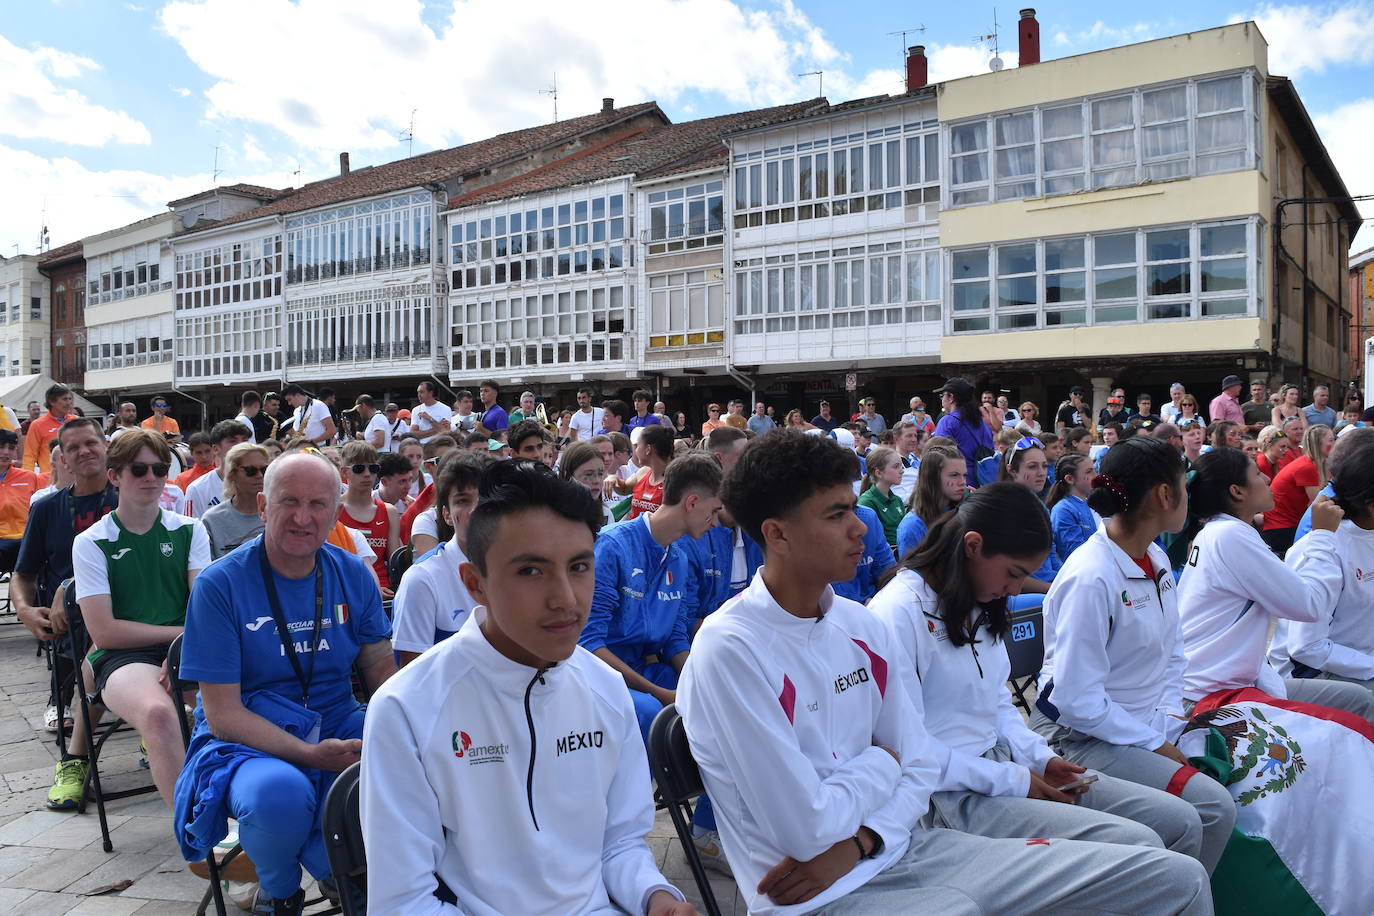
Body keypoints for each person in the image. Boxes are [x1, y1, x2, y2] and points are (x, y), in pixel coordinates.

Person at [677, 430, 1211, 915]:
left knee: (1173, 876)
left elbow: (915, 770)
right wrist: (884, 763)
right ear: (778, 534)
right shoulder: (732, 649)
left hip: (903, 846)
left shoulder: (859, 626)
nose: (861, 526)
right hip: (816, 896)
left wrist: (866, 834)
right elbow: (807, 826)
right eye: (837, 514)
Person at [361, 460, 697, 916]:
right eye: (531, 572)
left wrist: (656, 897)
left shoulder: (605, 688)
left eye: (579, 566)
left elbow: (620, 844)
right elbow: (403, 901)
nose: (566, 598)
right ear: (475, 584)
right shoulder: (407, 707)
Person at [873, 481, 1202, 857]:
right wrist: (1012, 778)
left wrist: (1039, 758)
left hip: (999, 767)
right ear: (973, 546)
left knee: (1180, 821)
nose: (1015, 590)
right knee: (1140, 845)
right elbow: (908, 750)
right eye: (1013, 573)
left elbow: (998, 703)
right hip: (945, 795)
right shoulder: (898, 613)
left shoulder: (975, 597)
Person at [174, 450, 396, 916]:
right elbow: (223, 715)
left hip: (336, 717)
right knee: (281, 794)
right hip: (247, 735)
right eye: (288, 502)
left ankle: (353, 877)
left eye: (317, 504)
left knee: (405, 770)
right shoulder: (220, 585)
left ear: (335, 512)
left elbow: (379, 668)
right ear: (262, 507)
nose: (302, 517)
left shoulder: (352, 572)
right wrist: (311, 755)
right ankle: (284, 890)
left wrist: (401, 730)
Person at [1030, 435, 1237, 875]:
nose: (1189, 494)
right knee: (1212, 808)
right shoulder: (1092, 577)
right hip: (1078, 736)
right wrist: (1154, 742)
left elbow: (1172, 651)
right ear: (1165, 494)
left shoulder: (1155, 557)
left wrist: (1168, 717)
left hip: (1137, 723)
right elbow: (1076, 701)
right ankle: (1178, 895)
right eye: (1185, 483)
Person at [1176, 448, 1374, 719]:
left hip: (1230, 683)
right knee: (1358, 707)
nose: (1269, 480)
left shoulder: (1223, 532)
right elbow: (1309, 607)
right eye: (1257, 474)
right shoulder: (1229, 535)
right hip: (1213, 695)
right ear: (1237, 491)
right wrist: (1322, 536)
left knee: (1360, 701)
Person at [72, 430, 209, 805]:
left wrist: (182, 648)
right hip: (123, 657)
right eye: (138, 469)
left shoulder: (190, 529)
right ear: (114, 475)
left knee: (244, 705)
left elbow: (204, 607)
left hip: (186, 646)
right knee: (159, 715)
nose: (151, 477)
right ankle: (200, 838)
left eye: (160, 469)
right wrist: (180, 638)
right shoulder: (91, 541)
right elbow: (105, 632)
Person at [582, 453, 720, 738]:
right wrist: (660, 694)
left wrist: (701, 681)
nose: (716, 523)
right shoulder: (613, 546)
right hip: (598, 675)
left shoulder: (677, 557)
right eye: (715, 511)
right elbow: (589, 642)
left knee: (714, 700)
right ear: (692, 502)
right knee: (651, 710)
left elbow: (675, 638)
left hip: (642, 671)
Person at [390, 452, 484, 665]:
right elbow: (413, 677)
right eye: (462, 501)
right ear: (447, 515)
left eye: (484, 499)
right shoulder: (422, 579)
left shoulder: (520, 570)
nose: (475, 510)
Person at [338, 441, 400, 599]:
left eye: (373, 469)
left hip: (384, 589)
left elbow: (394, 565)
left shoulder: (389, 511)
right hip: (344, 588)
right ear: (344, 473)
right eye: (359, 469)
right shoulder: (333, 509)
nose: (367, 474)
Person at [1263, 424, 1333, 557]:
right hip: (1280, 529)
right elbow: (1319, 504)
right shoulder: (1308, 466)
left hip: (1285, 525)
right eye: (1331, 440)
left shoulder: (1314, 464)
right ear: (1318, 443)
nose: (1334, 444)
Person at [895, 445, 966, 560]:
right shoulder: (913, 525)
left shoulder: (965, 512)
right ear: (932, 477)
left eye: (964, 475)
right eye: (954, 475)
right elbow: (911, 574)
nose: (962, 482)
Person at [201, 442, 270, 559]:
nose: (260, 476)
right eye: (251, 471)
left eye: (264, 470)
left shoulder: (279, 514)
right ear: (232, 474)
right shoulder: (212, 520)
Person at [186, 420, 253, 518]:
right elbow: (191, 530)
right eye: (233, 441)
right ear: (216, 449)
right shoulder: (197, 489)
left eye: (245, 440)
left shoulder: (259, 482)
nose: (241, 446)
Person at [605, 426, 673, 520]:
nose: (635, 451)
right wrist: (613, 479)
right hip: (634, 532)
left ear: (648, 449)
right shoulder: (644, 471)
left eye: (637, 446)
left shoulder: (675, 479)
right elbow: (624, 489)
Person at [0, 428, 42, 571]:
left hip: (26, 538)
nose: (6, 452)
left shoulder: (29, 477)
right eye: (1, 447)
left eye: (11, 448)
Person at [933, 378, 994, 475]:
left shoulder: (947, 421)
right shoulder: (981, 422)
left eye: (942, 395)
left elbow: (938, 457)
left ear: (951, 398)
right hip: (985, 480)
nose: (941, 399)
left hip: (961, 482)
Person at [1047, 453, 1101, 562]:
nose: (1096, 475)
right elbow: (1075, 552)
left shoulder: (1088, 502)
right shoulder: (1063, 509)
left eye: (1095, 470)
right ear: (1070, 479)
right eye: (1089, 472)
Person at [559, 441, 617, 528]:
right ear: (568, 475)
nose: (597, 480)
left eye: (600, 474)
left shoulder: (606, 514)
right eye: (589, 474)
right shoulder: (553, 515)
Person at [857, 446, 903, 554]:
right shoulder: (866, 502)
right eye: (896, 467)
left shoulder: (897, 500)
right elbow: (869, 543)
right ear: (879, 473)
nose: (902, 471)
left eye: (901, 466)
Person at [23, 384, 76, 475]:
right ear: (52, 402)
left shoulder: (76, 421)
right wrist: (28, 479)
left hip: (75, 476)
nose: (69, 403)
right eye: (64, 399)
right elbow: (29, 456)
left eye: (70, 399)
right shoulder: (37, 425)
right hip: (50, 479)